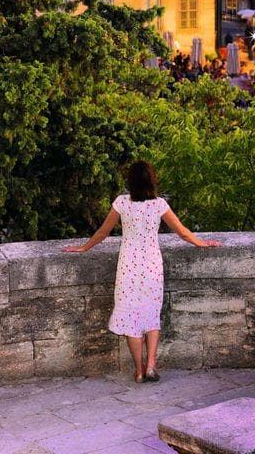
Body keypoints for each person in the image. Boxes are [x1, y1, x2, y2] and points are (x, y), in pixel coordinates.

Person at [62, 160, 221, 384]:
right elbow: (182, 232)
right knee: (150, 313)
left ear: (131, 181)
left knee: (131, 317)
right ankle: (151, 365)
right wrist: (201, 243)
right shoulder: (159, 205)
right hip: (152, 267)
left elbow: (102, 233)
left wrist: (83, 247)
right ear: (152, 180)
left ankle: (138, 370)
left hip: (128, 267)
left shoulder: (121, 203)